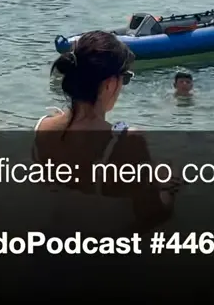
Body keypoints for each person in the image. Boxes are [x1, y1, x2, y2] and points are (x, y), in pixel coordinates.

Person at [33, 31, 178, 233]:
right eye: (125, 78)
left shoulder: (42, 128)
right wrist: (165, 187)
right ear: (110, 84)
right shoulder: (126, 143)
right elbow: (153, 215)